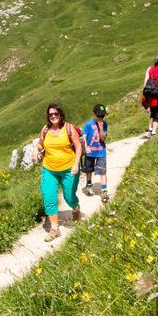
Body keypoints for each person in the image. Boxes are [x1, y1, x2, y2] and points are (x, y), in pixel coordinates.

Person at [37, 103, 82, 242]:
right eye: (50, 115)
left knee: (69, 196)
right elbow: (40, 144)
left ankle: (75, 207)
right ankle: (55, 229)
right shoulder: (45, 129)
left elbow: (78, 146)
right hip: (49, 169)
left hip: (69, 169)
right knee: (48, 196)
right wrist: (35, 151)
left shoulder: (68, 128)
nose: (53, 116)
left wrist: (76, 165)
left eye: (56, 114)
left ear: (60, 115)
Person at [81, 104, 110, 203]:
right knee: (89, 170)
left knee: (102, 171)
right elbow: (84, 136)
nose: (100, 118)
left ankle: (104, 190)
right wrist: (86, 147)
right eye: (99, 116)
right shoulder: (89, 124)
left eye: (102, 116)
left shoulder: (104, 124)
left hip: (101, 151)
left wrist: (101, 127)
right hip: (90, 152)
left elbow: (103, 138)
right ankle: (89, 185)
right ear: (94, 114)